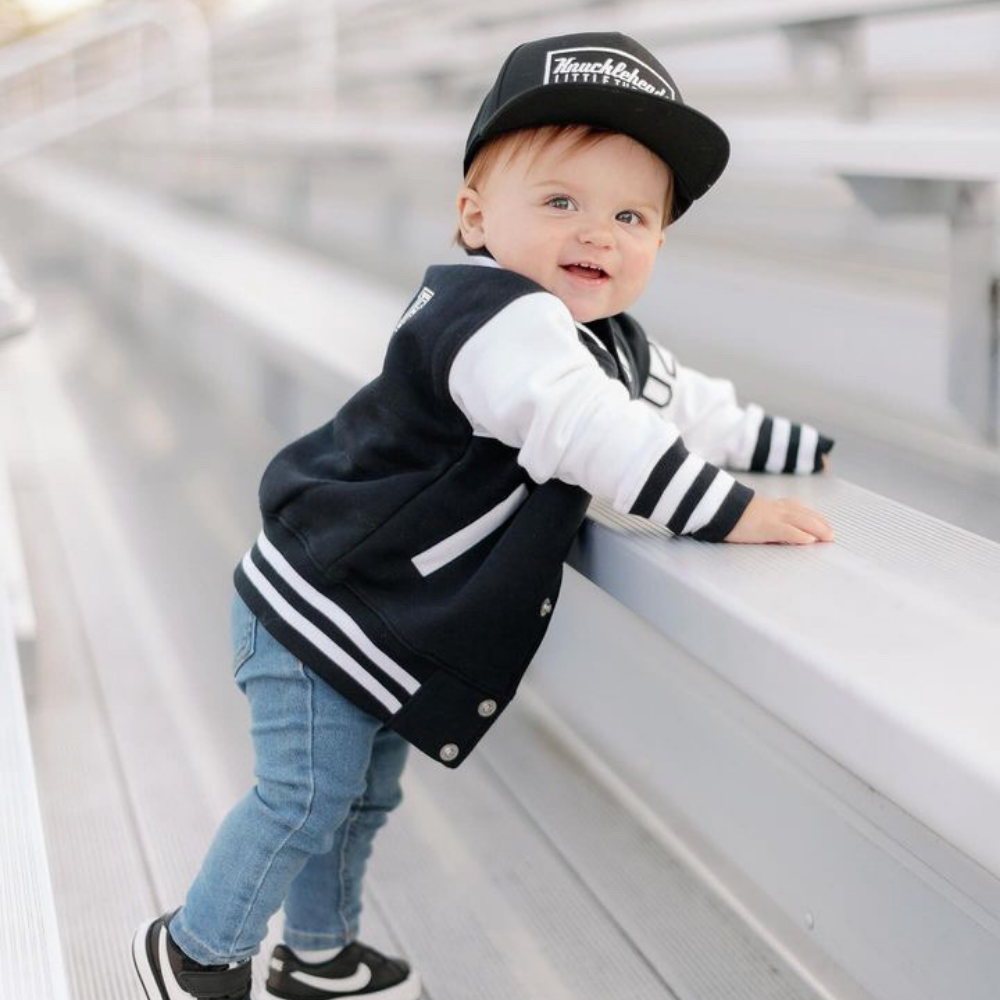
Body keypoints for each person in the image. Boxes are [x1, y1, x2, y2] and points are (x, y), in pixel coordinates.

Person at [131, 30, 835, 1000]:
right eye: (560, 201)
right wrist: (730, 511)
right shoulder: (492, 320)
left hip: (377, 620)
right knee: (304, 797)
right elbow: (591, 430)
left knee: (362, 796)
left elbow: (693, 407)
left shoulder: (609, 342)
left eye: (631, 213)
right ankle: (195, 951)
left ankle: (317, 951)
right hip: (316, 603)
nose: (598, 233)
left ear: (658, 243)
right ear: (473, 215)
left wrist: (792, 447)